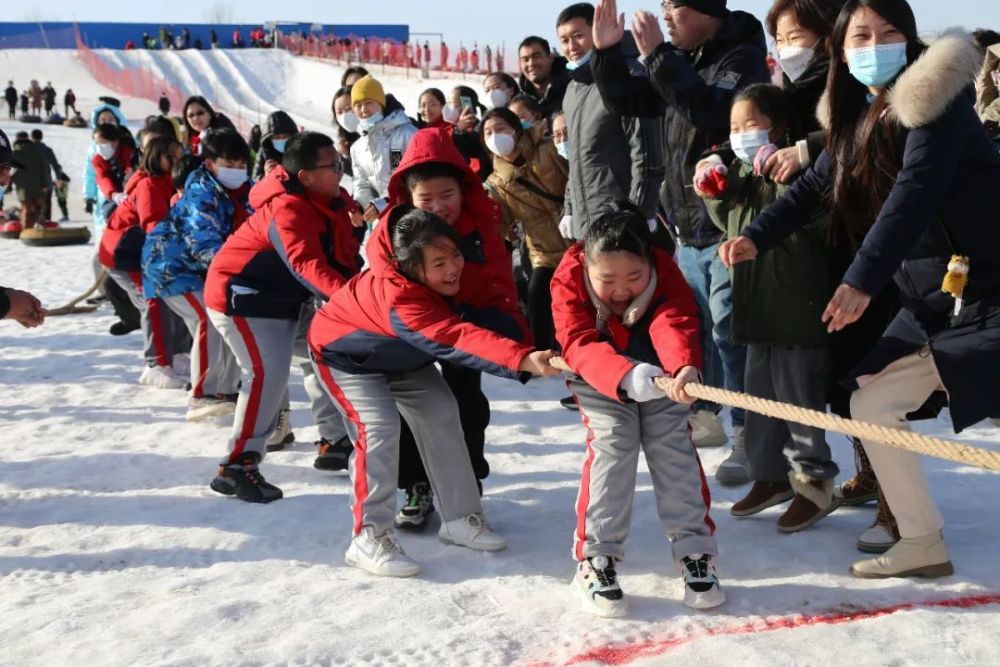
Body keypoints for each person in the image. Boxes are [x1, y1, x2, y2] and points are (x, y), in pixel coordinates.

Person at [720, 2, 1000, 579]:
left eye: (890, 32)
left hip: (990, 288)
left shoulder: (936, 104)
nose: (875, 45)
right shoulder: (858, 116)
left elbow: (914, 194)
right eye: (862, 35)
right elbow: (814, 188)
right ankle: (921, 539)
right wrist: (756, 236)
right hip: (937, 298)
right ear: (841, 50)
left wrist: (860, 281)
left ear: (911, 39)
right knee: (870, 400)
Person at [309, 207, 558, 576]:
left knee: (442, 410)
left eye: (454, 254)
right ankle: (369, 536)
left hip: (401, 357)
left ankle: (460, 518)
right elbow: (454, 336)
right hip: (346, 358)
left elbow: (491, 308)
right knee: (379, 430)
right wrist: (521, 359)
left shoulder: (457, 274)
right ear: (411, 267)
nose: (453, 267)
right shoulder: (401, 300)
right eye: (438, 263)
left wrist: (528, 345)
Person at [590, 0, 770, 455]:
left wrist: (657, 58)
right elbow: (630, 100)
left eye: (676, 7)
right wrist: (609, 55)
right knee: (699, 328)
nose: (665, 16)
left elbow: (711, 112)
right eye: (663, 7)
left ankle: (750, 433)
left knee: (732, 331)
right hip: (686, 227)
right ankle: (705, 416)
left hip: (729, 223)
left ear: (707, 10)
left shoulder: (740, 56)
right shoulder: (680, 58)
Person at [551, 202, 723, 617]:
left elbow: (675, 318)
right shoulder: (567, 279)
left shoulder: (667, 270)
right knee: (616, 442)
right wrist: (623, 376)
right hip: (598, 373)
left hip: (662, 373)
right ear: (588, 267)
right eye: (607, 279)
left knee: (671, 444)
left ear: (650, 263)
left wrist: (683, 365)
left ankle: (695, 552)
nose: (622, 289)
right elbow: (578, 341)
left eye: (634, 276)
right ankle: (596, 558)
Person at [694, 84, 839, 530]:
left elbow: (799, 223)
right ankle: (769, 476)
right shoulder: (742, 173)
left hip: (797, 306)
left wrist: (789, 171)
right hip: (755, 307)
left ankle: (813, 484)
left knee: (799, 403)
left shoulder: (801, 172)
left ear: (779, 127)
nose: (741, 134)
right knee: (758, 401)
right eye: (735, 127)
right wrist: (715, 194)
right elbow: (734, 228)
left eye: (751, 124)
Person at [374, 127, 528, 529]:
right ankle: (416, 485)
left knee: (468, 404)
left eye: (448, 196)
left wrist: (515, 337)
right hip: (412, 328)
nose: (439, 207)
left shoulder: (481, 224)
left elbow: (498, 284)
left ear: (463, 190)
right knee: (412, 407)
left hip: (464, 325)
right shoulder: (393, 230)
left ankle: (467, 480)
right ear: (410, 199)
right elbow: (384, 284)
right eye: (427, 199)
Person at [203, 132, 362, 503]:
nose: (341, 172)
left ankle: (334, 439)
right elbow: (306, 264)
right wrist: (352, 301)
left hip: (283, 300)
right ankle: (237, 466)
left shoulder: (331, 200)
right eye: (333, 166)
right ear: (305, 175)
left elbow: (340, 255)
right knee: (266, 375)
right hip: (243, 299)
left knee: (321, 353)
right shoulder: (288, 208)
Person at [142, 129, 253, 416]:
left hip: (204, 269)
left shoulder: (241, 189)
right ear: (210, 162)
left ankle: (225, 389)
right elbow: (203, 241)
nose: (236, 171)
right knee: (209, 317)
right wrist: (239, 271)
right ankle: (203, 393)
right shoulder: (201, 192)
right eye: (229, 165)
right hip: (170, 267)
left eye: (241, 165)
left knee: (227, 317)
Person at [557, 3, 665, 240]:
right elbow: (578, 158)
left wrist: (642, 211)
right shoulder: (572, 90)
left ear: (596, 32)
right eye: (564, 40)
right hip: (589, 219)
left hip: (622, 215)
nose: (572, 46)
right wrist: (571, 208)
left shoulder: (625, 78)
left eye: (578, 36)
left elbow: (645, 151)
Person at [99, 136, 190, 389]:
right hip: (124, 254)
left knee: (178, 292)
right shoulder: (149, 184)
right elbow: (153, 224)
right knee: (154, 300)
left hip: (149, 252)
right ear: (154, 156)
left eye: (178, 154)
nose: (176, 160)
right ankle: (156, 364)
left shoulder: (170, 181)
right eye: (169, 155)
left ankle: (179, 354)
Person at [482, 107, 569, 349]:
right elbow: (500, 220)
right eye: (488, 133)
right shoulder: (496, 182)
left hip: (578, 237)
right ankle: (543, 353)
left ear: (516, 129)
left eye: (500, 129)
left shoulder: (548, 149)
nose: (495, 136)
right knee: (537, 294)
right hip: (544, 250)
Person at [349, 75, 418, 224]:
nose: (363, 110)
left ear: (381, 104)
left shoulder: (406, 133)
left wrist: (384, 204)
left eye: (369, 103)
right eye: (358, 105)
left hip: (412, 215)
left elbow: (414, 179)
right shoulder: (357, 148)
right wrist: (363, 207)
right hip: (381, 220)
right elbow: (361, 183)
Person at [517, 36, 570, 119]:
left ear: (550, 58)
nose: (531, 64)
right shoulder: (520, 101)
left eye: (536, 56)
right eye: (526, 59)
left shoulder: (573, 87)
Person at [11, 131, 51, 228]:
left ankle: (26, 230)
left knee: (26, 209)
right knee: (38, 209)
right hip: (37, 187)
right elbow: (45, 169)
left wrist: (7, 185)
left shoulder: (14, 154)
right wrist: (46, 184)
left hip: (22, 188)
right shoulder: (38, 153)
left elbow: (9, 172)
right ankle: (39, 230)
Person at [252, 110, 298, 181]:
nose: (282, 140)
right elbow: (255, 179)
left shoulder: (299, 151)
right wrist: (266, 176)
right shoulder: (264, 153)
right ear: (269, 139)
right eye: (277, 137)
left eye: (285, 136)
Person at [332, 86, 360, 177]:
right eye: (339, 112)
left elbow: (396, 166)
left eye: (348, 109)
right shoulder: (345, 139)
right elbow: (358, 175)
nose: (344, 115)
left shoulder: (391, 131)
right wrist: (344, 156)